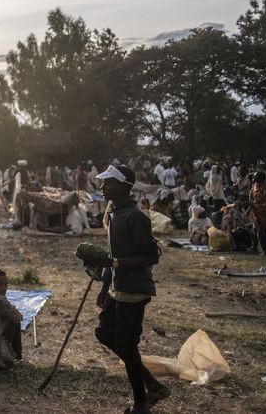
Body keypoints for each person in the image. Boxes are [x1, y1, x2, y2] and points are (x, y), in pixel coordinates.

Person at [94, 164, 170, 414]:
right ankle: (152, 384)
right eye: (103, 182)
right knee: (105, 334)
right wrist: (105, 285)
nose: (103, 187)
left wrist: (114, 263)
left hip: (134, 290)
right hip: (118, 286)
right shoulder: (114, 212)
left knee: (126, 345)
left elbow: (150, 256)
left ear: (124, 187)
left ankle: (141, 403)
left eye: (109, 183)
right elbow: (114, 255)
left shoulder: (135, 216)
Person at [249, 171, 266, 256]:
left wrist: (255, 205)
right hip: (257, 213)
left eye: (255, 177)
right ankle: (254, 247)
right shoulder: (255, 186)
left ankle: (265, 250)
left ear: (261, 178)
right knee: (255, 229)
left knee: (262, 231)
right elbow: (252, 198)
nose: (254, 178)